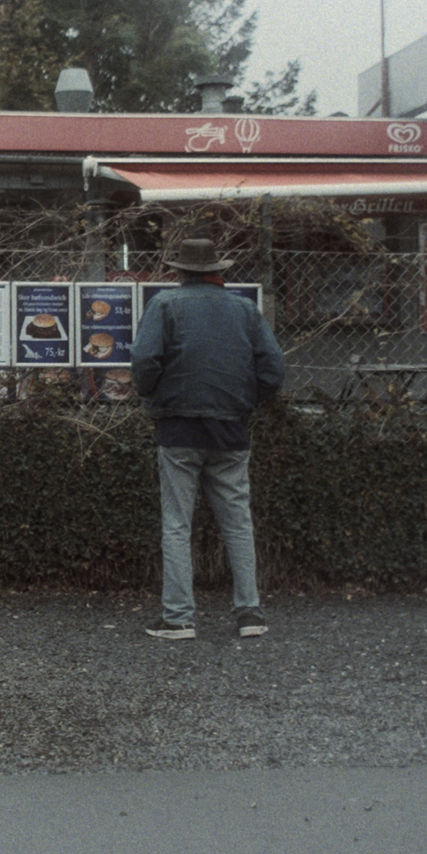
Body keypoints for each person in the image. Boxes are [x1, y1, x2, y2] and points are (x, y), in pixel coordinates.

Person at [130, 237, 285, 640]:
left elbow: (145, 360)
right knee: (237, 521)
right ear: (220, 271)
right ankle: (249, 612)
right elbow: (273, 367)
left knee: (178, 523)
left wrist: (151, 394)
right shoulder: (245, 310)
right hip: (231, 425)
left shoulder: (165, 305)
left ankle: (178, 617)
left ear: (179, 271)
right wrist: (248, 400)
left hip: (178, 425)